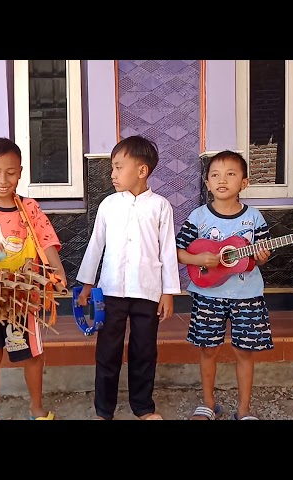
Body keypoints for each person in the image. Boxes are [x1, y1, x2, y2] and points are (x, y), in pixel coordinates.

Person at [0, 137, 67, 420]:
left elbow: (46, 242)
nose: (3, 179)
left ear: (20, 171)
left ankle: (36, 408)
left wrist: (58, 272)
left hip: (23, 295)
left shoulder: (29, 208)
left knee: (31, 354)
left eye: (10, 172)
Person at [76, 135, 181, 420]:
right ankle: (103, 410)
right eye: (113, 167)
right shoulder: (109, 205)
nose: (113, 174)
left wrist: (168, 292)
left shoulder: (160, 207)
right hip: (110, 291)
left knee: (144, 352)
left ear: (142, 170)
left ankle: (144, 408)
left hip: (147, 292)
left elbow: (168, 250)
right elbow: (95, 246)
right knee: (107, 352)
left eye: (119, 167)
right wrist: (86, 286)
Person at [176, 150, 272, 420]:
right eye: (215, 175)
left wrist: (262, 256)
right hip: (208, 294)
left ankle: (243, 410)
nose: (222, 180)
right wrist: (197, 257)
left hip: (247, 295)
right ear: (207, 183)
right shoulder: (198, 217)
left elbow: (260, 258)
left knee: (245, 351)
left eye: (231, 174)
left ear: (244, 182)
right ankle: (208, 403)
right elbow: (176, 251)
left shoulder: (254, 218)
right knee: (208, 349)